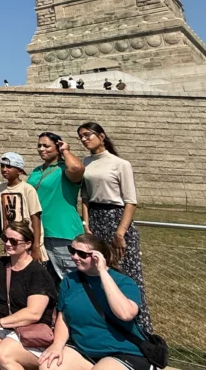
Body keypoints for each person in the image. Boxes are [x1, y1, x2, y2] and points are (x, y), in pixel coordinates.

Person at [77, 123, 152, 334]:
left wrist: (120, 232)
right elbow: (85, 197)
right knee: (97, 270)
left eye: (87, 135)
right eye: (80, 137)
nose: (84, 139)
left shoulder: (120, 164)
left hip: (116, 218)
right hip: (95, 218)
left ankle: (138, 327)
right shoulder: (86, 163)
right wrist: (86, 224)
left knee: (127, 273)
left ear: (101, 136)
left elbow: (130, 201)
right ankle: (104, 322)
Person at [39, 234, 153, 370]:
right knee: (48, 366)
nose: (74, 257)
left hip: (123, 352)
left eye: (82, 254)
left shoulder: (123, 282)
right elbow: (63, 318)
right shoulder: (69, 281)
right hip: (84, 351)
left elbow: (126, 314)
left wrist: (103, 272)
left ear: (98, 257)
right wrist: (57, 345)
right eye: (72, 250)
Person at [0, 220, 57, 370]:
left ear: (28, 244)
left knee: (3, 353)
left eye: (14, 241)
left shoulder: (38, 273)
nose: (8, 244)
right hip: (4, 325)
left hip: (29, 329)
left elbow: (33, 314)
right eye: (5, 239)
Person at [27, 133, 85, 280]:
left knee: (69, 279)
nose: (41, 149)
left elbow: (77, 168)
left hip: (61, 233)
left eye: (46, 146)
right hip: (38, 233)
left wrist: (65, 151)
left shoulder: (64, 170)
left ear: (57, 147)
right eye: (39, 145)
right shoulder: (36, 171)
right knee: (44, 280)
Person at [0, 152, 44, 262]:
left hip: (27, 241)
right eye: (2, 166)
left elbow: (35, 217)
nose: (4, 169)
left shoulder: (27, 189)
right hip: (11, 240)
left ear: (19, 170)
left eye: (9, 166)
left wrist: (36, 245)